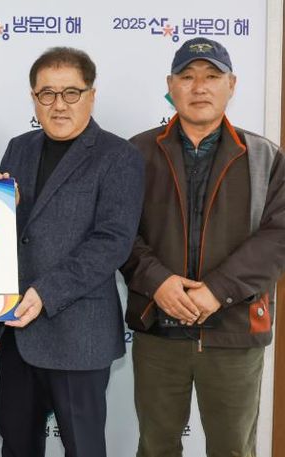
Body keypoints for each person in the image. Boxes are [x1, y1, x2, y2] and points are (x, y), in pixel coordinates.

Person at [121, 37, 285, 457]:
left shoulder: (265, 157)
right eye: (187, 76)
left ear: (232, 85)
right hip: (159, 327)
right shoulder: (135, 153)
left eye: (212, 76)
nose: (199, 87)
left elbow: (277, 237)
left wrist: (217, 290)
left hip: (235, 330)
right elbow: (117, 232)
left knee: (233, 449)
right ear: (170, 86)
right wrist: (158, 282)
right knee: (156, 447)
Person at [0, 47, 145, 457]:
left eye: (71, 92)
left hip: (79, 335)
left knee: (83, 447)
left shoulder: (119, 156)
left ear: (91, 95)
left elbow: (111, 241)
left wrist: (45, 292)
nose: (59, 104)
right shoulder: (19, 147)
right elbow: (10, 237)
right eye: (47, 94)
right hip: (18, 329)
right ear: (33, 98)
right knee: (16, 443)